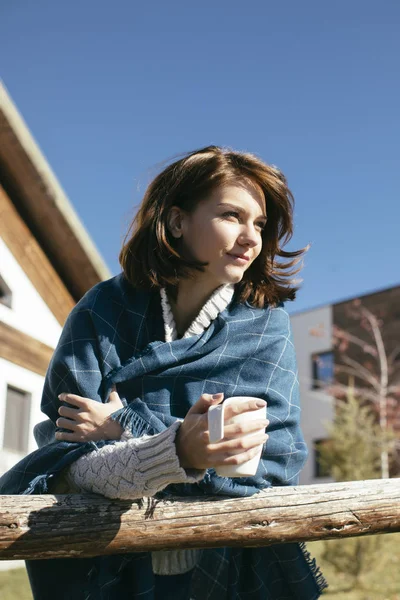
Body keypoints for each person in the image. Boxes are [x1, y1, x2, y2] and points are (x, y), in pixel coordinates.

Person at [0, 145, 327, 599]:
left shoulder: (265, 326)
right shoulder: (103, 311)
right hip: (111, 560)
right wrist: (188, 449)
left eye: (259, 223)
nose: (251, 237)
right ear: (177, 221)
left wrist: (124, 426)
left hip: (228, 566)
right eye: (232, 216)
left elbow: (272, 462)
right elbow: (67, 464)